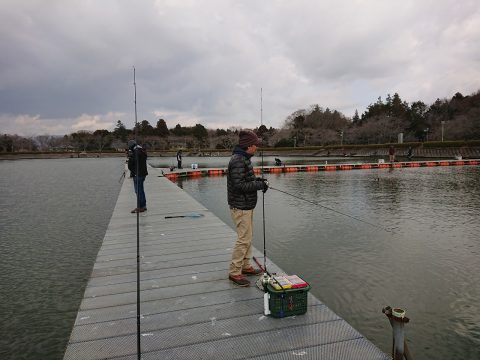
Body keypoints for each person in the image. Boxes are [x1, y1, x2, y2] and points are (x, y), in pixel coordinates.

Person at [227, 130, 269, 287]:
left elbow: (246, 180)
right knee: (244, 239)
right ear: (248, 146)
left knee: (248, 237)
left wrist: (259, 181)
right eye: (255, 145)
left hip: (246, 205)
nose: (256, 148)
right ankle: (234, 272)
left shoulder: (243, 158)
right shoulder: (238, 160)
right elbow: (239, 185)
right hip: (241, 206)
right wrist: (259, 185)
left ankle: (246, 267)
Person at [127, 140, 148, 213]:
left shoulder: (135, 152)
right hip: (143, 174)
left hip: (137, 174)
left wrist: (130, 157)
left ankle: (140, 207)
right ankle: (143, 206)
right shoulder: (141, 151)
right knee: (141, 190)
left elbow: (130, 165)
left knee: (138, 191)